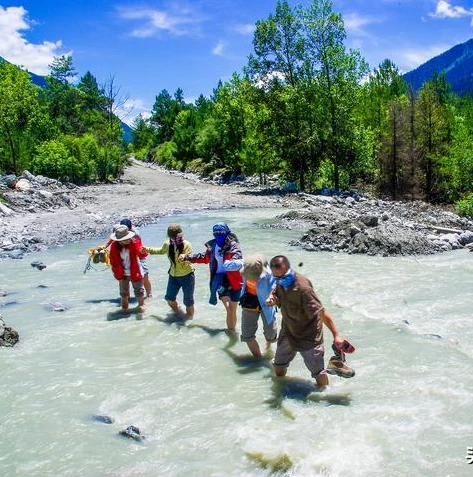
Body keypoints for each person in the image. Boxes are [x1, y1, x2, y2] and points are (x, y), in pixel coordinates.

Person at [265, 255, 351, 387]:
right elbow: (276, 290)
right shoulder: (281, 281)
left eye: (282, 276)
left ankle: (325, 395)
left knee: (318, 373)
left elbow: (322, 313)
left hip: (309, 336)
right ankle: (281, 389)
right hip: (288, 331)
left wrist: (336, 336)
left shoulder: (303, 288)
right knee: (278, 365)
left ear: (289, 269)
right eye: (277, 277)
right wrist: (273, 298)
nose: (280, 280)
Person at [181, 222, 243, 331]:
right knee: (229, 308)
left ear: (227, 232)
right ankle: (231, 333)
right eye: (216, 233)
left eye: (221, 232)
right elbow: (204, 258)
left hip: (234, 281)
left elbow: (238, 256)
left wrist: (234, 262)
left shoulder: (233, 246)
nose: (218, 235)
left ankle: (233, 332)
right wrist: (187, 257)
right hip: (220, 280)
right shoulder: (212, 247)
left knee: (233, 309)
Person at [145, 223, 195, 317]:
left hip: (187, 276)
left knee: (188, 302)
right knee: (169, 299)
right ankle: (179, 313)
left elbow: (189, 253)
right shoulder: (167, 244)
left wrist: (184, 256)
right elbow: (160, 251)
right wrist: (147, 249)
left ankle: (189, 320)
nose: (174, 238)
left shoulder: (186, 244)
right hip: (173, 276)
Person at [239, 254, 277, 358]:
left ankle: (268, 346)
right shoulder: (245, 266)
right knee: (247, 335)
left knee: (271, 334)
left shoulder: (270, 274)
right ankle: (259, 359)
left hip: (266, 305)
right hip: (249, 302)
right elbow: (232, 264)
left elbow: (276, 288)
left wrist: (272, 298)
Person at [109, 224, 146, 312]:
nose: (124, 241)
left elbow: (142, 255)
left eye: (126, 239)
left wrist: (143, 252)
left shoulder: (135, 243)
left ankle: (142, 308)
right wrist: (116, 273)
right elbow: (112, 261)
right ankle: (124, 310)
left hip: (135, 271)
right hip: (122, 272)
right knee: (123, 294)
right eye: (122, 240)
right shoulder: (114, 246)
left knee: (139, 292)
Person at [119, 218, 152, 298]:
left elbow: (139, 249)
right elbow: (112, 239)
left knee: (144, 274)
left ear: (130, 228)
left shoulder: (135, 234)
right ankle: (127, 297)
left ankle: (149, 294)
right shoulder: (120, 231)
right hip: (125, 256)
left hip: (139, 255)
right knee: (124, 277)